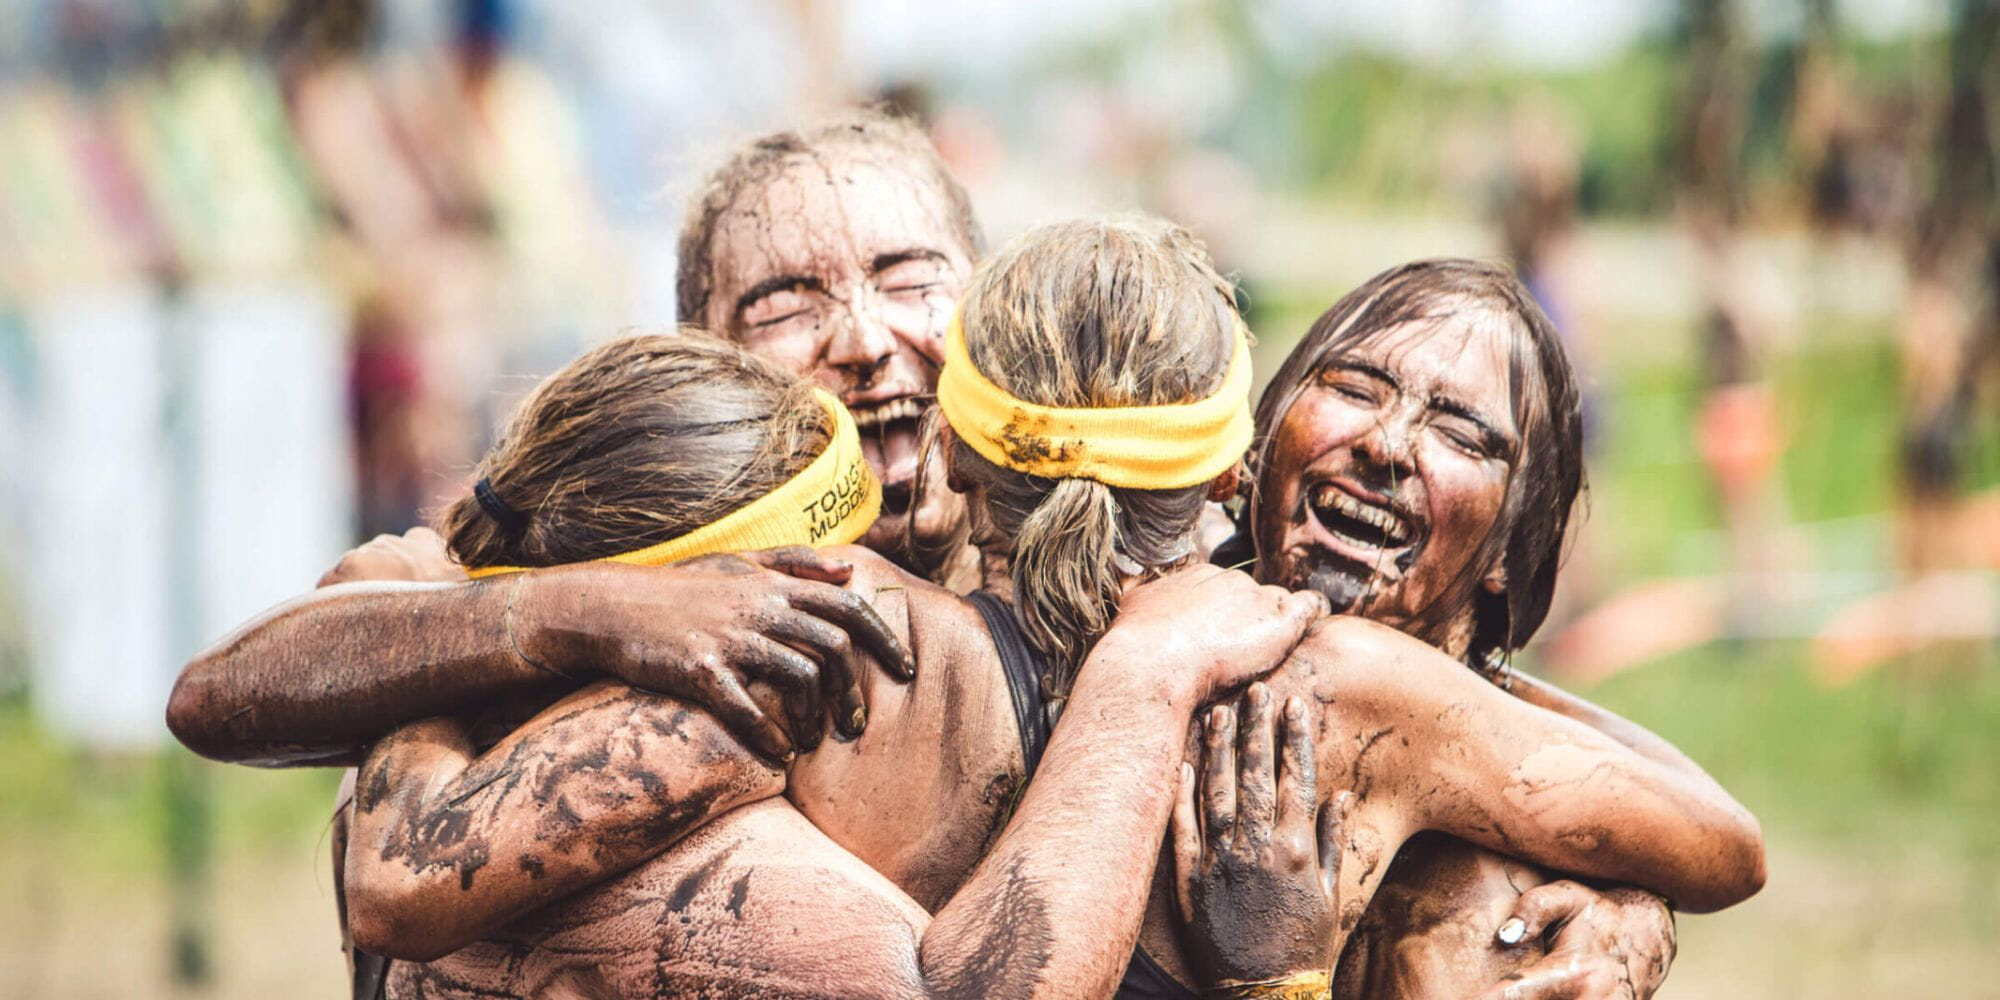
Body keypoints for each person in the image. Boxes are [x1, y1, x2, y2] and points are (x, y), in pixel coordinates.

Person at [175, 223, 1764, 997]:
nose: (858, 341)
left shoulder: (1347, 703)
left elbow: (1708, 847)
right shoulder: (774, 626)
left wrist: (1590, 880)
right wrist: (531, 616)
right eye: (788, 305)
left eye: (901, 276)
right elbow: (376, 850)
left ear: (961, 405)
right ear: (1237, 453)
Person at [1187, 259, 1713, 998]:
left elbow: (1733, 848)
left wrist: (1634, 908)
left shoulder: (1498, 926)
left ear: (1509, 548)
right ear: (1262, 435)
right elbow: (1729, 843)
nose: (1388, 444)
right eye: (1352, 389)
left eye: (1462, 436)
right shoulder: (1142, 620)